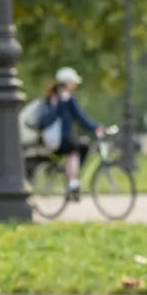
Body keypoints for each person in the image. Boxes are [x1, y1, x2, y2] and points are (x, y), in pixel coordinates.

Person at [36, 67, 103, 198]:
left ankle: (69, 178)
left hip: (50, 138)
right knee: (81, 148)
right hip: (62, 138)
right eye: (73, 82)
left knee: (76, 147)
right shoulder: (67, 98)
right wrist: (95, 127)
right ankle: (72, 181)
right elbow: (80, 117)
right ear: (67, 83)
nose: (75, 85)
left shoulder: (53, 97)